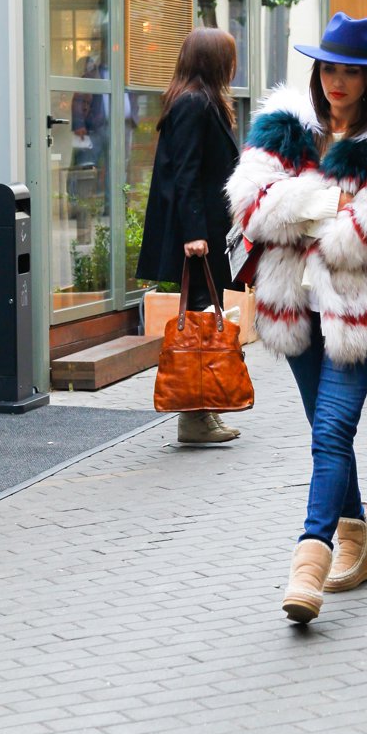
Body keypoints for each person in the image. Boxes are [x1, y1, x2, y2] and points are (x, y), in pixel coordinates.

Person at [227, 12, 367, 623]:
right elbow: (250, 206)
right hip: (294, 306)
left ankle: (308, 561)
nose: (337, 82)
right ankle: (358, 538)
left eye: (351, 72)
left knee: (331, 431)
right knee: (326, 429)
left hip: (362, 311)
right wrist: (327, 203)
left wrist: (297, 211)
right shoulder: (283, 125)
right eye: (329, 69)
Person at [136, 27, 241, 444]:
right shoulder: (193, 104)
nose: (233, 66)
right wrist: (195, 233)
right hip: (197, 237)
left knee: (204, 321)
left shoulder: (201, 101)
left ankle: (203, 411)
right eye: (229, 58)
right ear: (212, 61)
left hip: (206, 232)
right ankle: (194, 418)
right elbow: (185, 173)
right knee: (199, 322)